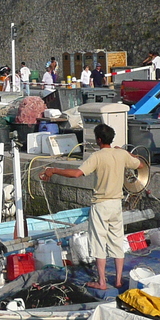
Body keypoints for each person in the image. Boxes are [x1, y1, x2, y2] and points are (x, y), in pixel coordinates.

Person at [40, 124, 145, 290]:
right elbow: (139, 164)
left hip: (101, 204)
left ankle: (102, 281)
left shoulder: (97, 156)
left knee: (98, 243)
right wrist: (126, 153)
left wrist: (54, 170)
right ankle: (118, 280)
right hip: (116, 204)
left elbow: (76, 174)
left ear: (99, 140)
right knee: (117, 242)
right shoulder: (121, 154)